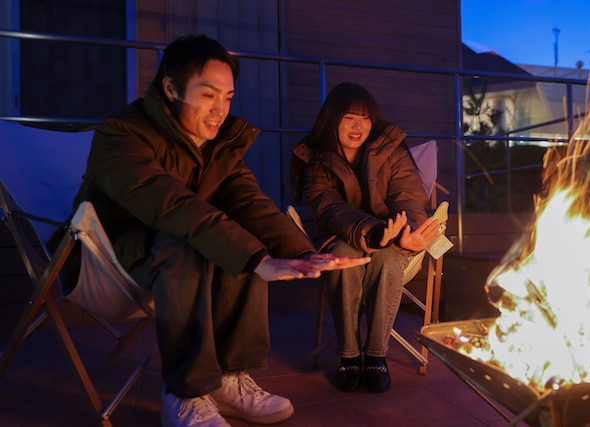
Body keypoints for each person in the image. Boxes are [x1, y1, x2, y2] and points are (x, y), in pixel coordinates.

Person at [57, 36, 370, 427]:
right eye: (208, 95)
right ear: (170, 89)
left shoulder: (215, 146)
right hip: (106, 258)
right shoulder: (122, 135)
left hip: (171, 250)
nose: (220, 110)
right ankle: (184, 393)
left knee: (231, 236)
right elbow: (173, 205)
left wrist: (304, 253)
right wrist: (258, 260)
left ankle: (228, 378)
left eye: (228, 97)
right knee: (194, 244)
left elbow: (250, 203)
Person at [289, 82, 443, 393]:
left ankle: (376, 355)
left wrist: (409, 233)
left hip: (395, 241)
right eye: (349, 118)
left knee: (387, 256)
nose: (358, 126)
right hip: (342, 238)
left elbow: (409, 196)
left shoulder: (392, 151)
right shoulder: (318, 161)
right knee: (347, 256)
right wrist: (373, 233)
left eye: (365, 117)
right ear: (333, 120)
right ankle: (348, 355)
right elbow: (329, 208)